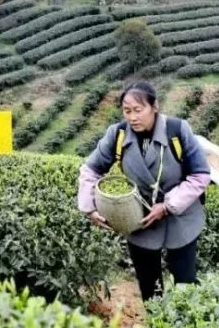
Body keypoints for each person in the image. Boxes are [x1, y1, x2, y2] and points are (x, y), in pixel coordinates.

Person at [77, 82, 210, 302]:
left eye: (138, 110)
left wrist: (167, 206)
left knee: (186, 284)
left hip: (181, 215)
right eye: (127, 111)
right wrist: (89, 207)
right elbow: (91, 169)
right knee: (149, 287)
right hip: (139, 219)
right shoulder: (117, 134)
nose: (132, 117)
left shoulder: (177, 130)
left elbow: (200, 174)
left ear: (154, 107)